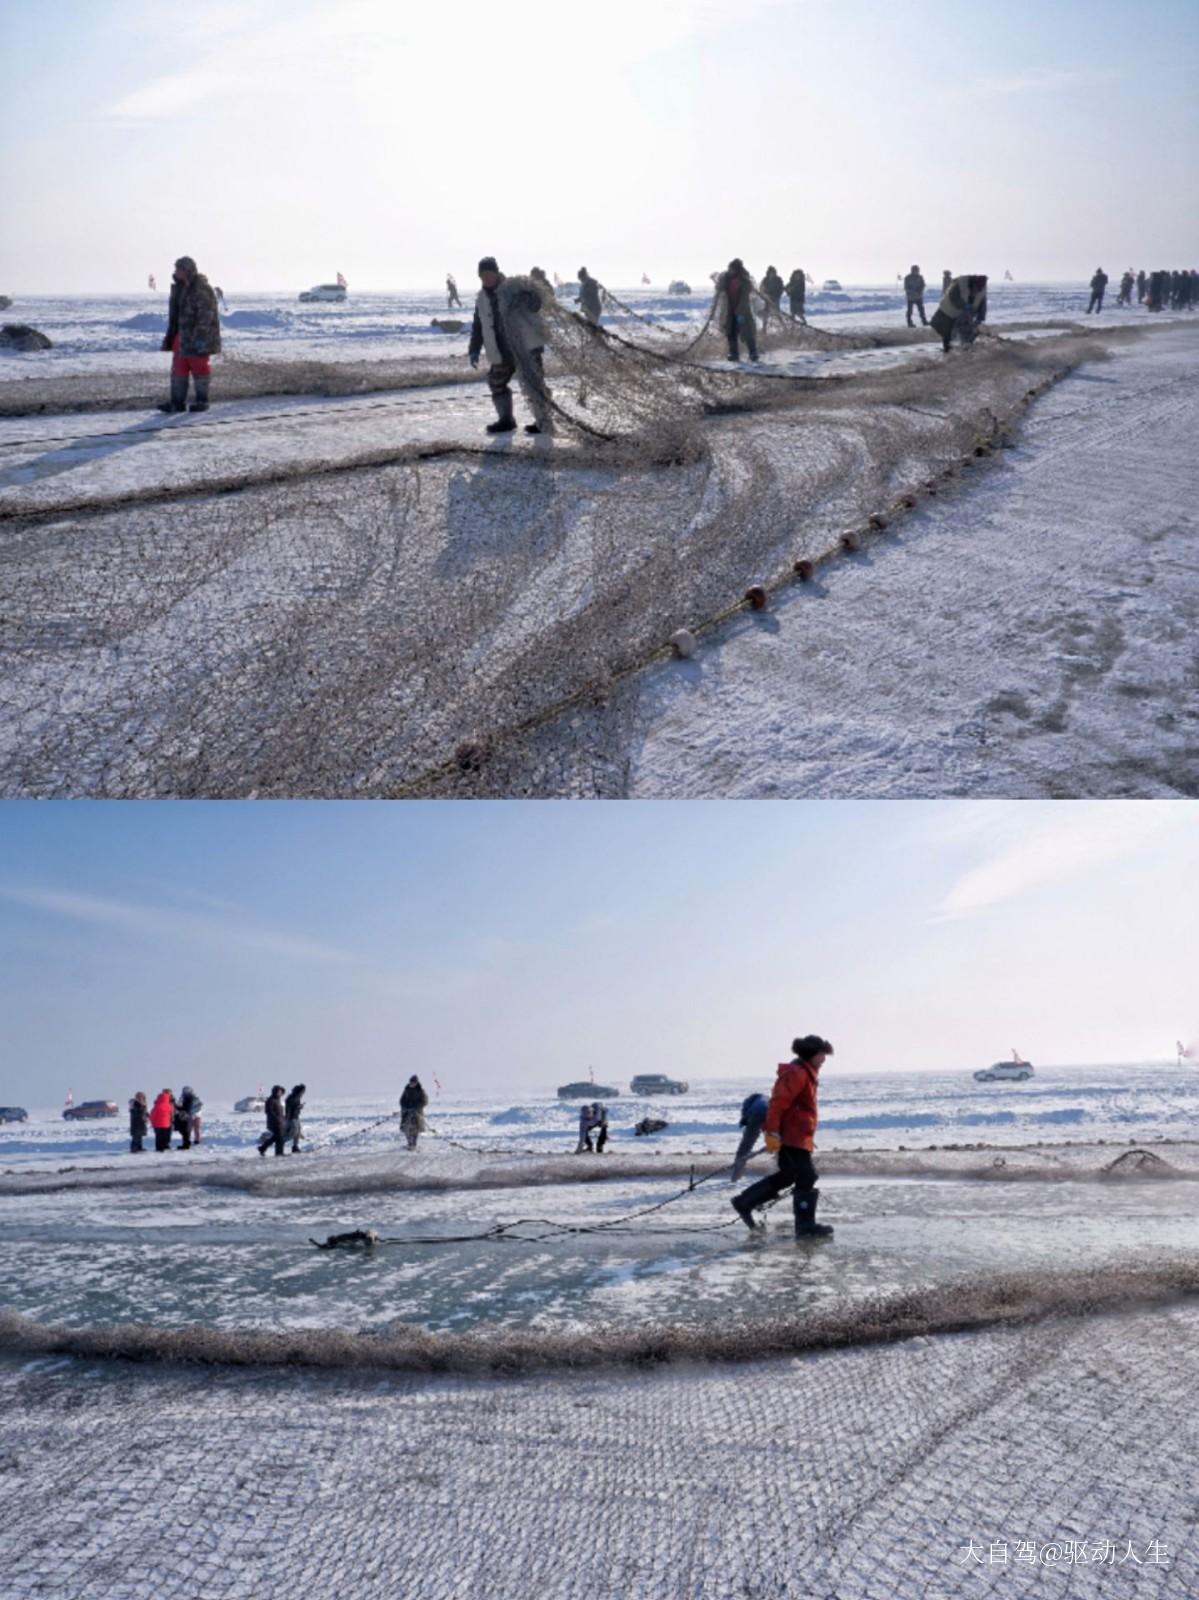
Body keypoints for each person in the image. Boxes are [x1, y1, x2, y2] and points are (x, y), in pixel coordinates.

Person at [731, 1036, 835, 1238]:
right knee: (806, 1176)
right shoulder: (796, 1074)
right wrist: (772, 1133)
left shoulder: (806, 1073)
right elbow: (777, 1104)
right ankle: (805, 1227)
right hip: (790, 1136)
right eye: (822, 1054)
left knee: (790, 1175)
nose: (824, 1059)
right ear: (811, 1054)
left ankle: (744, 1202)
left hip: (798, 1136)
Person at [468, 256, 554, 436]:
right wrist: (474, 348)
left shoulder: (514, 288)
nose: (487, 278)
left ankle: (543, 421)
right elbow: (478, 325)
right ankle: (506, 420)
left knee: (535, 383)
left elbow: (536, 305)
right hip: (501, 350)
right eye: (483, 275)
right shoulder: (481, 298)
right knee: (496, 382)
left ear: (497, 272)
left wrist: (528, 296)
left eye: (490, 274)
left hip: (526, 346)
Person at [158, 256, 221, 414]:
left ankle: (202, 401)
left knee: (199, 367)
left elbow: (206, 315)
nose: (175, 272)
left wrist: (200, 337)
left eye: (178, 268)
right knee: (179, 368)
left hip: (196, 336)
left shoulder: (202, 288)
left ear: (187, 270)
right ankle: (177, 403)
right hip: (181, 335)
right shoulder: (179, 288)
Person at [714, 258, 758, 362]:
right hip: (730, 311)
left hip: (742, 311)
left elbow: (744, 299)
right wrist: (721, 280)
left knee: (747, 333)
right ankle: (733, 353)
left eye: (732, 269)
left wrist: (740, 312)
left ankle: (753, 353)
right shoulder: (727, 280)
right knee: (731, 332)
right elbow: (720, 289)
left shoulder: (744, 281)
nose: (730, 270)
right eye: (729, 268)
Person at [931, 274, 988, 353]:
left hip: (966, 315)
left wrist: (980, 318)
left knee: (968, 332)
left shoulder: (982, 288)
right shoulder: (961, 284)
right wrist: (964, 305)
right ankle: (947, 351)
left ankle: (965, 349)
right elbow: (953, 297)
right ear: (973, 283)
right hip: (948, 312)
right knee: (946, 332)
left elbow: (983, 303)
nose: (977, 290)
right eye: (976, 288)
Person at [731, 1090, 768, 1181]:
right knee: (778, 1143)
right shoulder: (764, 1100)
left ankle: (736, 1175)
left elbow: (747, 1120)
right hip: (772, 1116)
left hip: (758, 1115)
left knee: (745, 1147)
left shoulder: (750, 1104)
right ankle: (779, 1168)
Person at [400, 1075, 428, 1150]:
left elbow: (424, 1101)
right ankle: (409, 1143)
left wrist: (416, 1107)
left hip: (416, 1114)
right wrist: (405, 1107)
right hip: (406, 1113)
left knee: (415, 1129)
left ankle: (414, 1144)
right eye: (411, 1082)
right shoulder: (406, 1090)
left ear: (416, 1082)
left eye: (413, 1082)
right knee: (406, 1129)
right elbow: (402, 1100)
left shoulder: (420, 1091)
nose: (412, 1083)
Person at [258, 1086, 287, 1157]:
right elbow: (269, 1111)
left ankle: (263, 1148)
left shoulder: (278, 1100)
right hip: (273, 1123)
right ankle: (279, 1153)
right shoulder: (270, 1100)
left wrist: (283, 1118)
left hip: (279, 1122)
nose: (280, 1093)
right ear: (274, 1092)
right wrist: (277, 1118)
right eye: (278, 1091)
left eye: (280, 1092)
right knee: (279, 1138)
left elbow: (279, 1112)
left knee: (277, 1137)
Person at [175, 1085, 202, 1150]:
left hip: (191, 1115)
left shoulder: (187, 1098)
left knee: (190, 1128)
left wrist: (177, 1107)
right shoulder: (195, 1097)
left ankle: (191, 1140)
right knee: (195, 1128)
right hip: (196, 1115)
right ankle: (196, 1140)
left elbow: (182, 1106)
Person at [150, 1088, 175, 1153]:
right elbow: (171, 1111)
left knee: (161, 1136)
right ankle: (164, 1145)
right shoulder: (167, 1103)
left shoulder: (159, 1103)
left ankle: (161, 1147)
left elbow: (153, 1114)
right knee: (165, 1135)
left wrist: (152, 1122)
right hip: (166, 1122)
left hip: (161, 1122)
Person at [760, 265, 784, 330]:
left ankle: (784, 326)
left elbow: (781, 289)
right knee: (766, 313)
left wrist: (776, 296)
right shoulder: (765, 280)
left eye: (773, 273)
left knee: (777, 313)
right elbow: (761, 288)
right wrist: (764, 294)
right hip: (767, 298)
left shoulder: (778, 280)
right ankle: (764, 328)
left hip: (776, 298)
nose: (772, 274)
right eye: (770, 273)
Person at [284, 1084, 306, 1153]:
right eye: (303, 1091)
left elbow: (295, 1107)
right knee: (293, 1132)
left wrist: (299, 1107)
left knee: (298, 1131)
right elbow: (290, 1108)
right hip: (291, 1117)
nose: (303, 1093)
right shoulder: (292, 1097)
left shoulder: (297, 1097)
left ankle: (295, 1147)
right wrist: (299, 1107)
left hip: (296, 1116)